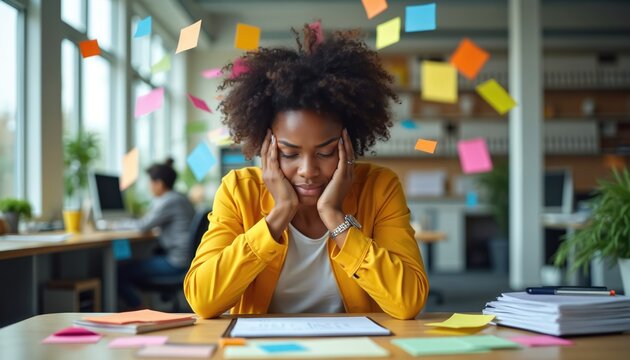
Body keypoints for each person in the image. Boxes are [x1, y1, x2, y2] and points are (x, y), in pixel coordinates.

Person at [184, 25, 429, 320]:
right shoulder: (239, 190)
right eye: (289, 154)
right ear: (266, 147)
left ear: (348, 143)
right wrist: (280, 214)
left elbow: (408, 302)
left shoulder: (379, 187)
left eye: (326, 152)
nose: (308, 171)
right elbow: (203, 300)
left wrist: (335, 217)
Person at [118, 158, 195, 309]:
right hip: (186, 260)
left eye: (150, 183)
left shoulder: (168, 201)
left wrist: (116, 225)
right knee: (137, 262)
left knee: (120, 272)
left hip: (176, 263)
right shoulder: (180, 198)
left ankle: (139, 308)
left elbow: (143, 225)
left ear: (159, 183)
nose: (149, 188)